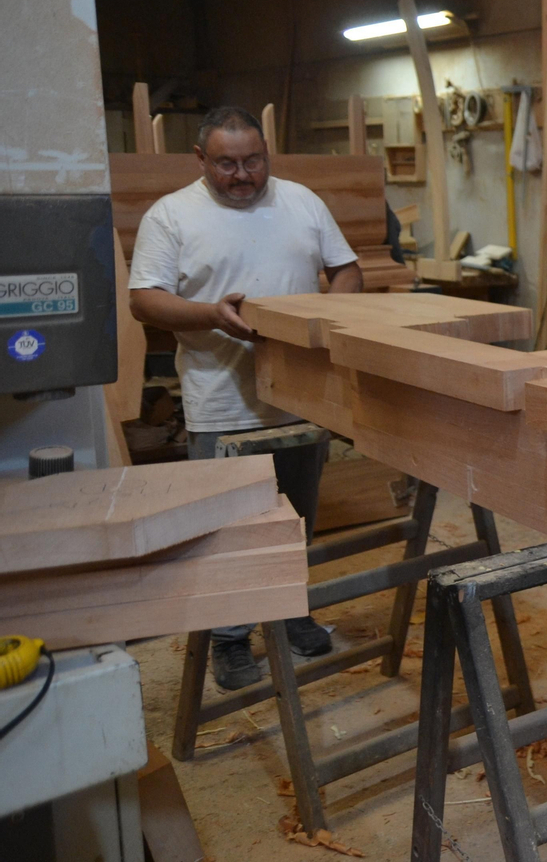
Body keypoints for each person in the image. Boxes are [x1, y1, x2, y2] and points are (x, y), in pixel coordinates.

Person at [129, 106, 363, 691]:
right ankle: (230, 642)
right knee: (224, 533)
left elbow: (347, 269)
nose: (243, 175)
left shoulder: (302, 201)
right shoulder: (172, 215)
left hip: (302, 398)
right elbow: (144, 300)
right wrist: (211, 314)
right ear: (201, 159)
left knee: (297, 521)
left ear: (267, 155)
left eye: (253, 161)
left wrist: (330, 318)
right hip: (221, 403)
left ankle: (290, 617)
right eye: (227, 164)